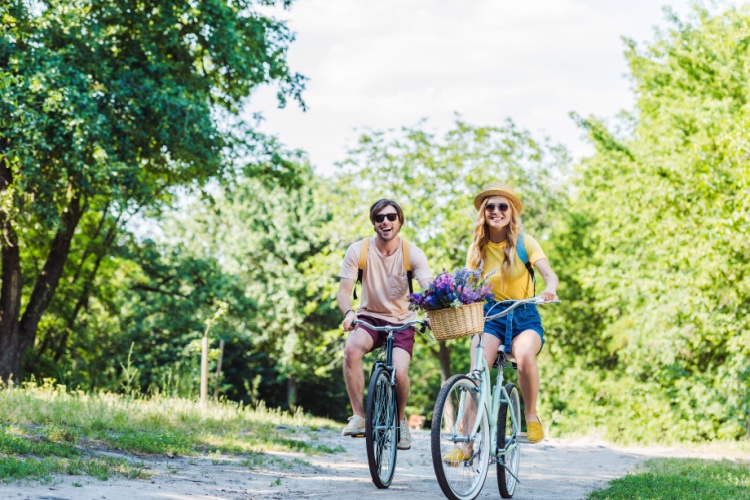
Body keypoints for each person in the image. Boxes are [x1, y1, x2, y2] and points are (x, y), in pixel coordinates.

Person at [337, 199, 432, 450]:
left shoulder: (413, 253)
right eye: (379, 218)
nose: (385, 222)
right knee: (351, 349)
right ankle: (358, 416)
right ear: (374, 222)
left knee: (400, 371)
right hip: (368, 317)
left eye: (391, 216)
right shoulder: (359, 250)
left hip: (403, 321)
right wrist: (348, 313)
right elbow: (344, 291)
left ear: (400, 220)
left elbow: (429, 289)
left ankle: (400, 422)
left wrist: (434, 312)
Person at [467, 183, 558, 444]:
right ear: (484, 212)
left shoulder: (525, 243)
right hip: (490, 317)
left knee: (524, 355)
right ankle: (465, 439)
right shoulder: (477, 249)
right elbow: (467, 286)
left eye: (502, 206)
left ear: (511, 212)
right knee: (477, 369)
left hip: (524, 316)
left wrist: (549, 289)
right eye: (490, 207)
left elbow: (549, 275)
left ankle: (530, 415)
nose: (496, 211)